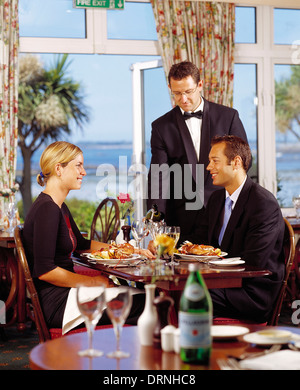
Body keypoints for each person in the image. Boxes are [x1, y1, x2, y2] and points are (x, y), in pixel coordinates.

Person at [22, 141, 153, 332]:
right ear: (59, 169)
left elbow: (83, 244)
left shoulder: (58, 206)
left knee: (145, 296)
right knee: (149, 302)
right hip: (60, 303)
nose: (83, 172)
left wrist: (127, 251)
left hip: (69, 294)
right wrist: (94, 282)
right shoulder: (47, 209)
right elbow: (45, 271)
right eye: (78, 166)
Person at [147, 61, 249, 243]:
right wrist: (156, 219)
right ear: (169, 87)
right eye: (177, 93)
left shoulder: (228, 117)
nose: (183, 99)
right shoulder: (161, 127)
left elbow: (244, 162)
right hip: (182, 218)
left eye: (188, 92)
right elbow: (158, 177)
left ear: (200, 85)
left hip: (225, 211)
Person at [191, 135, 285, 322]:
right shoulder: (217, 200)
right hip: (221, 284)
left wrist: (210, 269)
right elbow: (198, 242)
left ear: (236, 162)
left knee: (187, 297)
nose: (209, 167)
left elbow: (253, 262)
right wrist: (167, 246)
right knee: (169, 294)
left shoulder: (262, 203)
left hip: (251, 294)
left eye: (214, 161)